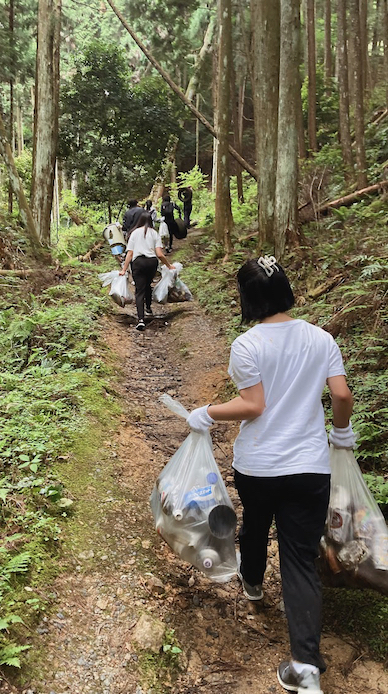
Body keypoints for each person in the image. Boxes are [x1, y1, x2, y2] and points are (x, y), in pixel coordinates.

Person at [186, 256, 355, 694]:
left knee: (256, 525)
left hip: (259, 465)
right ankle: (306, 670)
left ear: (248, 298)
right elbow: (340, 394)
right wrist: (341, 432)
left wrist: (205, 412)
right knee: (299, 558)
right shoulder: (321, 339)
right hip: (310, 467)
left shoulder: (248, 345)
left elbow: (253, 405)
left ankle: (255, 584)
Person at [119, 211, 175, 331]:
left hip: (138, 263)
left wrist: (124, 269)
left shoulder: (134, 233)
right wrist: (169, 265)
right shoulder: (154, 234)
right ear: (151, 221)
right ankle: (148, 309)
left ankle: (140, 320)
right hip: (151, 263)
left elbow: (130, 253)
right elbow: (159, 254)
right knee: (148, 285)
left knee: (139, 290)